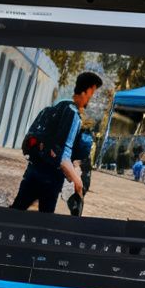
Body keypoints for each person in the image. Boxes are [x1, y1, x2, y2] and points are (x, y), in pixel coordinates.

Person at [12, 72, 98, 213]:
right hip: (50, 180)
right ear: (87, 91)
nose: (91, 97)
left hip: (32, 172)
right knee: (45, 222)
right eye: (92, 93)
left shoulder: (55, 108)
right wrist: (78, 181)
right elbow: (63, 158)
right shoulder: (73, 114)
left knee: (16, 211)